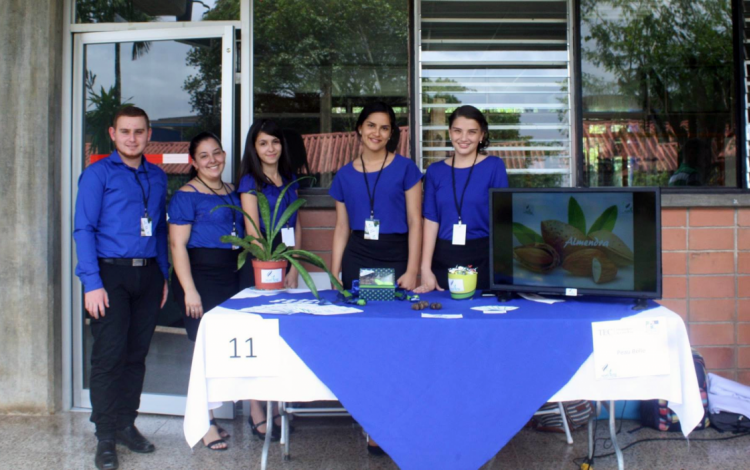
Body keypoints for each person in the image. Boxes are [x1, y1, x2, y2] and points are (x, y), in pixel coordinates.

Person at [74, 106, 169, 470]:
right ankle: (105, 437)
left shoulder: (157, 176)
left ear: (148, 135)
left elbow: (159, 229)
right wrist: (92, 283)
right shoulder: (97, 174)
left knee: (136, 355)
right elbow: (83, 229)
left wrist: (162, 275)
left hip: (147, 276)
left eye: (139, 131)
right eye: (125, 131)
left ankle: (127, 424)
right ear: (113, 134)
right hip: (109, 275)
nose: (132, 138)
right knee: (109, 357)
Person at [329, 101, 423, 454]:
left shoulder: (406, 169)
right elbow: (340, 228)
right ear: (358, 128)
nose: (376, 133)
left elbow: (415, 221)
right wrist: (334, 272)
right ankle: (375, 423)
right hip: (359, 258)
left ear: (391, 133)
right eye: (370, 125)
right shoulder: (344, 175)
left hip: (395, 256)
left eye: (384, 128)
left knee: (397, 341)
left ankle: (397, 417)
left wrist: (413, 269)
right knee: (369, 342)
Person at [168, 132, 242, 451]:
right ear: (193, 162)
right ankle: (206, 424)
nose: (213, 160)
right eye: (204, 156)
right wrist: (189, 290)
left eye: (217, 153)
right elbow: (177, 245)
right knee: (203, 353)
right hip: (201, 275)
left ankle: (214, 416)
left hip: (231, 274)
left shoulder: (232, 191)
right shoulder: (185, 196)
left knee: (224, 350)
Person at [238, 118, 303, 440]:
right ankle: (256, 409)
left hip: (287, 264)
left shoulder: (290, 178)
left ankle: (278, 406)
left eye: (275, 142)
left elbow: (297, 224)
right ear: (254, 147)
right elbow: (252, 230)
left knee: (281, 336)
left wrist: (293, 267)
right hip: (263, 264)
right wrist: (272, 265)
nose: (270, 148)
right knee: (259, 338)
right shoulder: (251, 181)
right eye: (263, 143)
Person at [415, 105, 508, 294]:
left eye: (472, 132)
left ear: (482, 135)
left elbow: (502, 220)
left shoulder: (494, 167)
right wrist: (425, 268)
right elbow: (431, 221)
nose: (464, 138)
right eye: (457, 131)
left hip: (483, 256)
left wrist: (503, 267)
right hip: (444, 258)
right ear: (450, 133)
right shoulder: (435, 171)